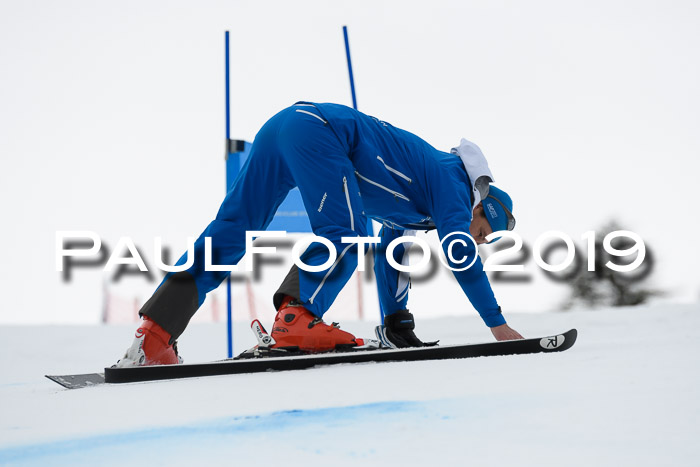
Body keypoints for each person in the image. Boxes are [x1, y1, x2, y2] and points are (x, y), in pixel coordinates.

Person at [116, 102, 523, 367]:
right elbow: (459, 257)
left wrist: (396, 322)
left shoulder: (427, 201)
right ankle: (296, 315)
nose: (479, 241)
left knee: (234, 228)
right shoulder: (455, 183)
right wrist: (497, 324)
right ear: (478, 205)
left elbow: (392, 251)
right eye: (484, 230)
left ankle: (155, 334)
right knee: (348, 230)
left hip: (285, 127)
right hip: (319, 131)